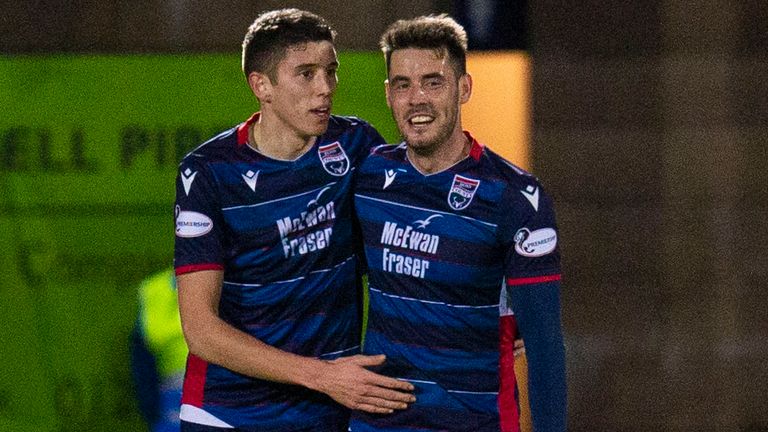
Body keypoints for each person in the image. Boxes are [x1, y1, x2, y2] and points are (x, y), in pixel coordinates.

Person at [173, 9, 414, 432]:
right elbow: (201, 330)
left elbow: (417, 234)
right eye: (306, 74)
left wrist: (494, 312)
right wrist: (323, 376)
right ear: (261, 85)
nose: (325, 89)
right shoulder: (209, 172)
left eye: (330, 72)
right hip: (228, 413)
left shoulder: (355, 144)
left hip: (328, 411)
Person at [350, 14, 566, 431]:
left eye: (433, 82)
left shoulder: (515, 196)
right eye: (402, 85)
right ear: (388, 95)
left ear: (463, 88)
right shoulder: (369, 178)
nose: (417, 99)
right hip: (377, 424)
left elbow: (544, 346)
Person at [130, 268, 187, 432]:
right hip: (171, 411)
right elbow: (142, 367)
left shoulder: (155, 288)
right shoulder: (154, 289)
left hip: (175, 410)